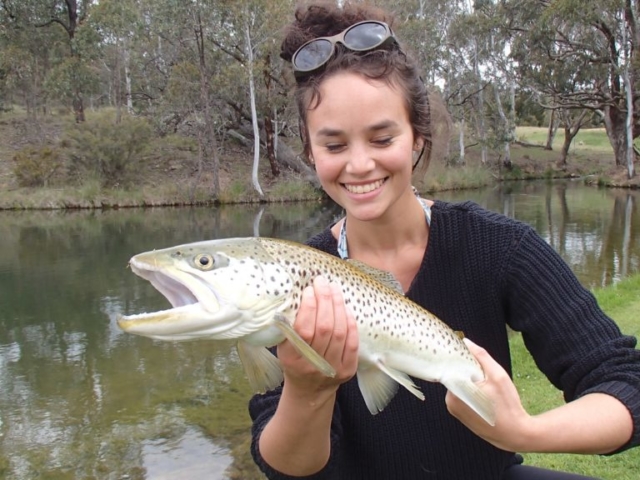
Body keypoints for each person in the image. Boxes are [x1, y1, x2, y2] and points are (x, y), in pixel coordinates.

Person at [248, 2, 640, 479]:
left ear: (416, 137)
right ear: (310, 152)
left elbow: (624, 384)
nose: (359, 164)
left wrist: (523, 432)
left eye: (381, 138)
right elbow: (286, 468)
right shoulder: (288, 278)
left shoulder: (499, 248)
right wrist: (307, 390)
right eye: (333, 145)